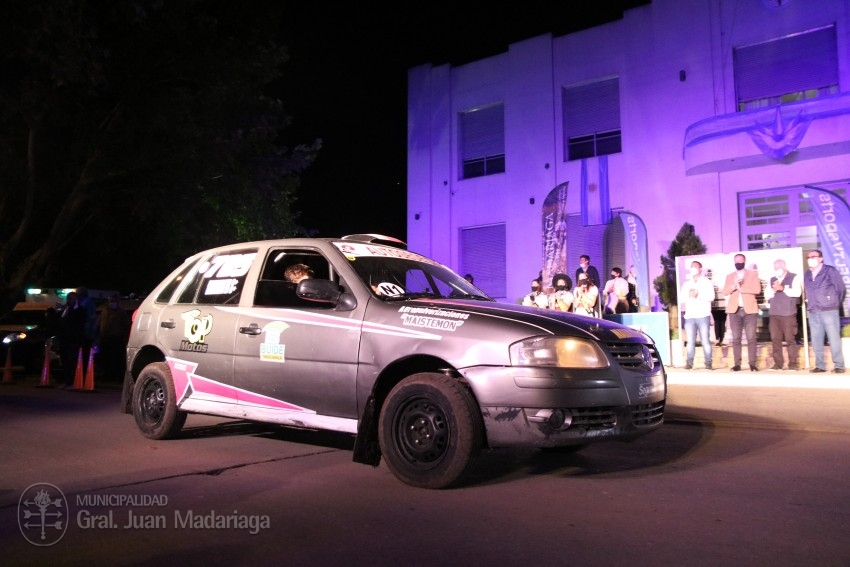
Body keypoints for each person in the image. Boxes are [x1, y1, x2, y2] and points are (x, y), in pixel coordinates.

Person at [803, 250, 845, 373]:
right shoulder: (807, 274)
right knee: (816, 339)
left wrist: (833, 302)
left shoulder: (830, 270)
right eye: (808, 257)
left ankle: (839, 365)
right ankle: (820, 365)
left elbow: (840, 288)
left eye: (813, 256)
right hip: (813, 310)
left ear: (820, 258)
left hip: (829, 309)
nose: (810, 259)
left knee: (833, 338)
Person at [722, 253, 762, 371]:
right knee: (736, 338)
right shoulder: (730, 276)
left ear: (744, 261)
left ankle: (752, 363)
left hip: (749, 310)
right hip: (735, 311)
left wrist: (742, 289)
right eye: (736, 261)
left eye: (740, 261)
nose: (738, 263)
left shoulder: (752, 275)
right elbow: (724, 291)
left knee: (751, 337)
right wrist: (734, 286)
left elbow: (757, 290)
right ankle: (737, 364)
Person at [764, 259, 802, 371]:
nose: (777, 270)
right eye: (775, 268)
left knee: (790, 339)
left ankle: (793, 364)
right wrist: (772, 294)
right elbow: (767, 294)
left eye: (779, 267)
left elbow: (797, 292)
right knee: (775, 339)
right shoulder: (772, 279)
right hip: (774, 314)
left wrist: (782, 288)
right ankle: (778, 364)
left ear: (784, 267)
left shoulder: (794, 277)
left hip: (788, 313)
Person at [680, 261, 714, 370]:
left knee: (705, 340)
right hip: (690, 316)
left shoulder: (706, 282)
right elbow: (681, 299)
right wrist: (688, 296)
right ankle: (689, 363)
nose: (693, 269)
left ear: (700, 269)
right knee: (690, 341)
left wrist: (698, 295)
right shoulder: (687, 284)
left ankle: (708, 363)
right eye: (692, 267)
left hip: (703, 315)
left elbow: (711, 297)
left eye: (695, 267)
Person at [97, 294, 132, 382]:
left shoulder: (121, 312)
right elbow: (98, 324)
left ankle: (117, 376)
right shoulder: (104, 311)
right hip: (105, 338)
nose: (112, 303)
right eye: (110, 301)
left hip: (117, 339)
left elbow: (126, 326)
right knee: (106, 358)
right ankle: (107, 375)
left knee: (117, 359)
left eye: (113, 301)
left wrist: (125, 338)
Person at [57, 291, 87, 388]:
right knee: (65, 361)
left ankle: (74, 381)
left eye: (71, 298)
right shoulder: (65, 309)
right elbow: (61, 321)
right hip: (64, 339)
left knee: (73, 361)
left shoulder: (80, 310)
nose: (69, 300)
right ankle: (67, 381)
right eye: (68, 298)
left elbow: (79, 324)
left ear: (76, 299)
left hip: (73, 340)